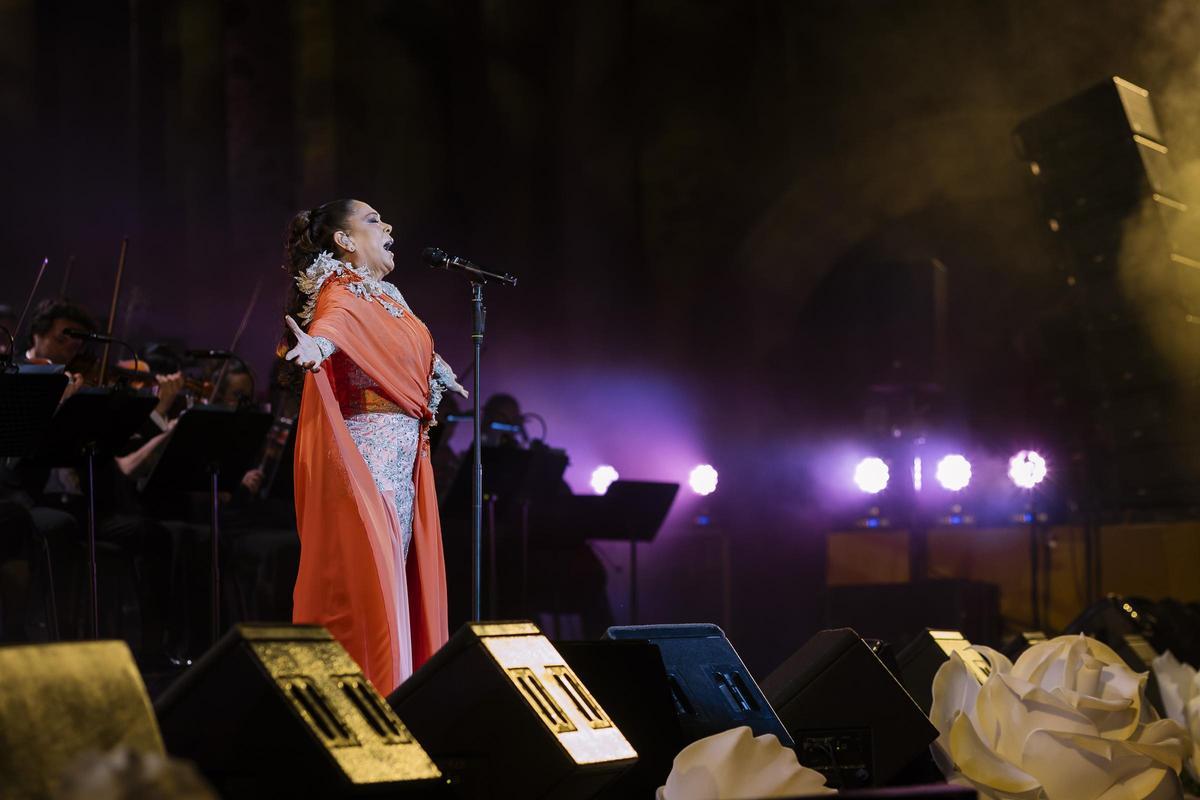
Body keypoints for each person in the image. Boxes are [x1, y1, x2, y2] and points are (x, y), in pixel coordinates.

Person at [282, 198, 466, 692]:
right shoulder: (339, 287)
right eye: (371, 220)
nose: (387, 224)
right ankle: (374, 692)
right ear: (344, 242)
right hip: (368, 461)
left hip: (400, 464)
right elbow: (335, 326)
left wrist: (437, 367)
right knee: (371, 582)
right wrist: (315, 346)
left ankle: (400, 693)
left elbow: (396, 340)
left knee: (394, 578)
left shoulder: (385, 295)